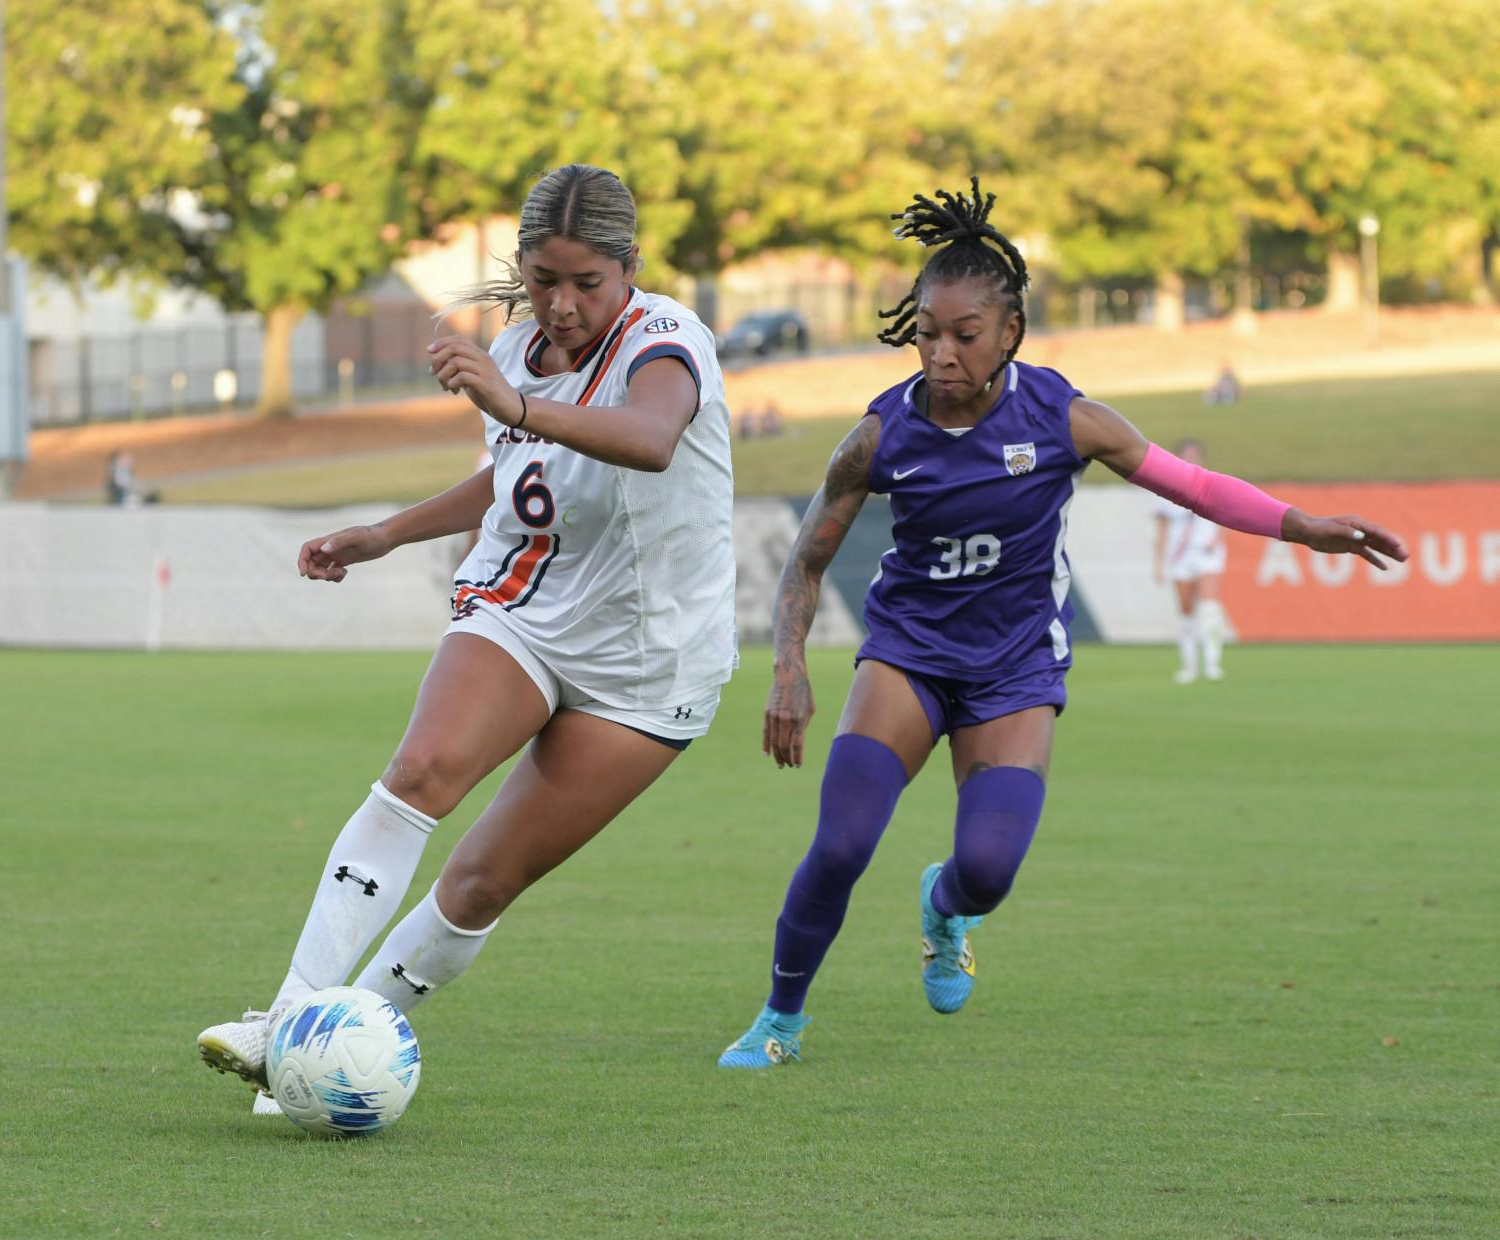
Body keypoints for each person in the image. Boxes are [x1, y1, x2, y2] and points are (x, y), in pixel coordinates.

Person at [718, 179, 1406, 1068]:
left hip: (1012, 670)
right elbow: (806, 562)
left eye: (965, 335)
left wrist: (1302, 525)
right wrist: (787, 667)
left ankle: (944, 904)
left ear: (1009, 332)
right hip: (908, 656)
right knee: (843, 842)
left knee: (990, 872)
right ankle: (780, 1019)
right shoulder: (879, 437)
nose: (941, 353)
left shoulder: (1064, 419)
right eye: (927, 332)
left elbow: (1193, 486)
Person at [196, 164, 736, 1112]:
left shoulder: (667, 342)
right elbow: (515, 472)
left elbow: (648, 439)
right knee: (422, 771)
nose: (562, 305)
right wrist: (389, 531)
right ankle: (286, 1022)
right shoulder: (521, 347)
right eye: (543, 279)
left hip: (652, 660)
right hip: (528, 606)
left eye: (587, 283)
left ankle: (317, 1055)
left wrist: (513, 403)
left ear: (631, 270)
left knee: (482, 881)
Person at [1153, 438, 1229, 683]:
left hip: (1206, 554)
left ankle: (1212, 663)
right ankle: (1189, 666)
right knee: (1186, 612)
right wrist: (1158, 562)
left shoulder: (1212, 483)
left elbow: (1227, 515)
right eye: (1185, 455)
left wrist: (1218, 539)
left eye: (1194, 455)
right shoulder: (1165, 490)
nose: (1190, 460)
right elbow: (1162, 530)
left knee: (1208, 607)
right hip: (1180, 556)